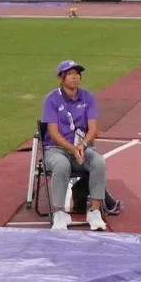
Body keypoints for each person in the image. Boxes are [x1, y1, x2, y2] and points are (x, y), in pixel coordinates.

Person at [41, 60, 107, 232]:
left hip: (82, 148)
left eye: (77, 74)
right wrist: (72, 148)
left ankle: (94, 211)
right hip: (56, 150)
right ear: (61, 78)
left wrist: (83, 145)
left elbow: (93, 128)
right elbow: (53, 133)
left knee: (98, 162)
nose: (74, 77)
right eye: (69, 74)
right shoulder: (51, 99)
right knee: (61, 165)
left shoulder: (88, 97)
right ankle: (60, 213)